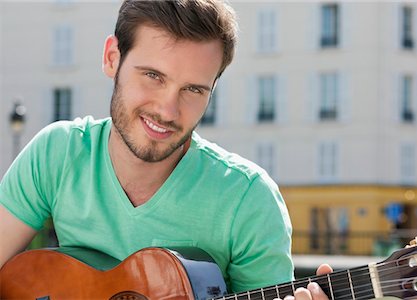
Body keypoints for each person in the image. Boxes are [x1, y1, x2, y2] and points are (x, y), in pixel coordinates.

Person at [0, 0, 331, 299]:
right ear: (112, 59)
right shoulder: (58, 152)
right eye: (153, 76)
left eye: (192, 89)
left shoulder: (249, 200)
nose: (168, 111)